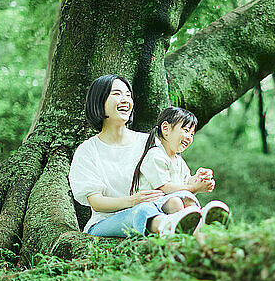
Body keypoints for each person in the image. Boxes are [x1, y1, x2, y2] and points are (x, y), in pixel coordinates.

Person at [68, 75, 225, 238]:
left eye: (128, 95)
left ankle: (201, 224)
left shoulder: (149, 142)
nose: (125, 100)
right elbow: (97, 202)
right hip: (105, 222)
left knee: (177, 200)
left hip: (154, 208)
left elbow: (171, 181)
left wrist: (196, 182)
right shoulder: (87, 150)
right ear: (99, 101)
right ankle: (169, 226)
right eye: (117, 94)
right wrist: (132, 201)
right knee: (142, 210)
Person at [130, 106, 229, 233]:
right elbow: (164, 187)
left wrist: (199, 179)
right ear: (166, 129)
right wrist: (194, 188)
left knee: (188, 200)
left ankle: (200, 223)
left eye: (192, 134)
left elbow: (186, 183)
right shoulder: (155, 155)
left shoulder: (179, 161)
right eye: (186, 130)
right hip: (152, 207)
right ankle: (184, 229)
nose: (189, 137)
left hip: (169, 202)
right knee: (175, 202)